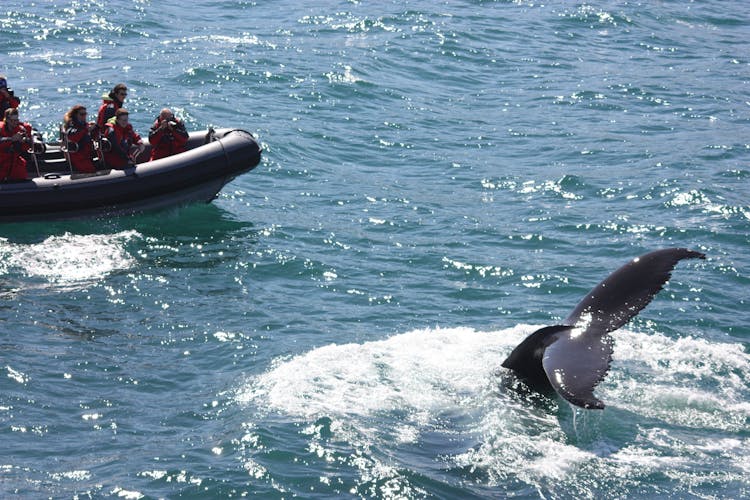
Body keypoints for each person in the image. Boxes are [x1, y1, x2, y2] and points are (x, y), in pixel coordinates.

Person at [63, 105, 98, 173]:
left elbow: (92, 137)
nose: (84, 116)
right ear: (76, 115)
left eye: (85, 114)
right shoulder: (72, 126)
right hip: (79, 157)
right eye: (82, 114)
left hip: (87, 155)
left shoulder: (84, 125)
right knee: (90, 171)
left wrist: (95, 128)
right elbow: (73, 137)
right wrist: (87, 130)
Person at [0, 108, 32, 181]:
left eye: (16, 120)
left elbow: (27, 146)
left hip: (14, 161)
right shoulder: (1, 129)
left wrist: (23, 141)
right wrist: (11, 139)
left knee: (21, 174)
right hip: (2, 160)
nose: (15, 123)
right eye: (12, 120)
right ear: (7, 120)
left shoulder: (21, 129)